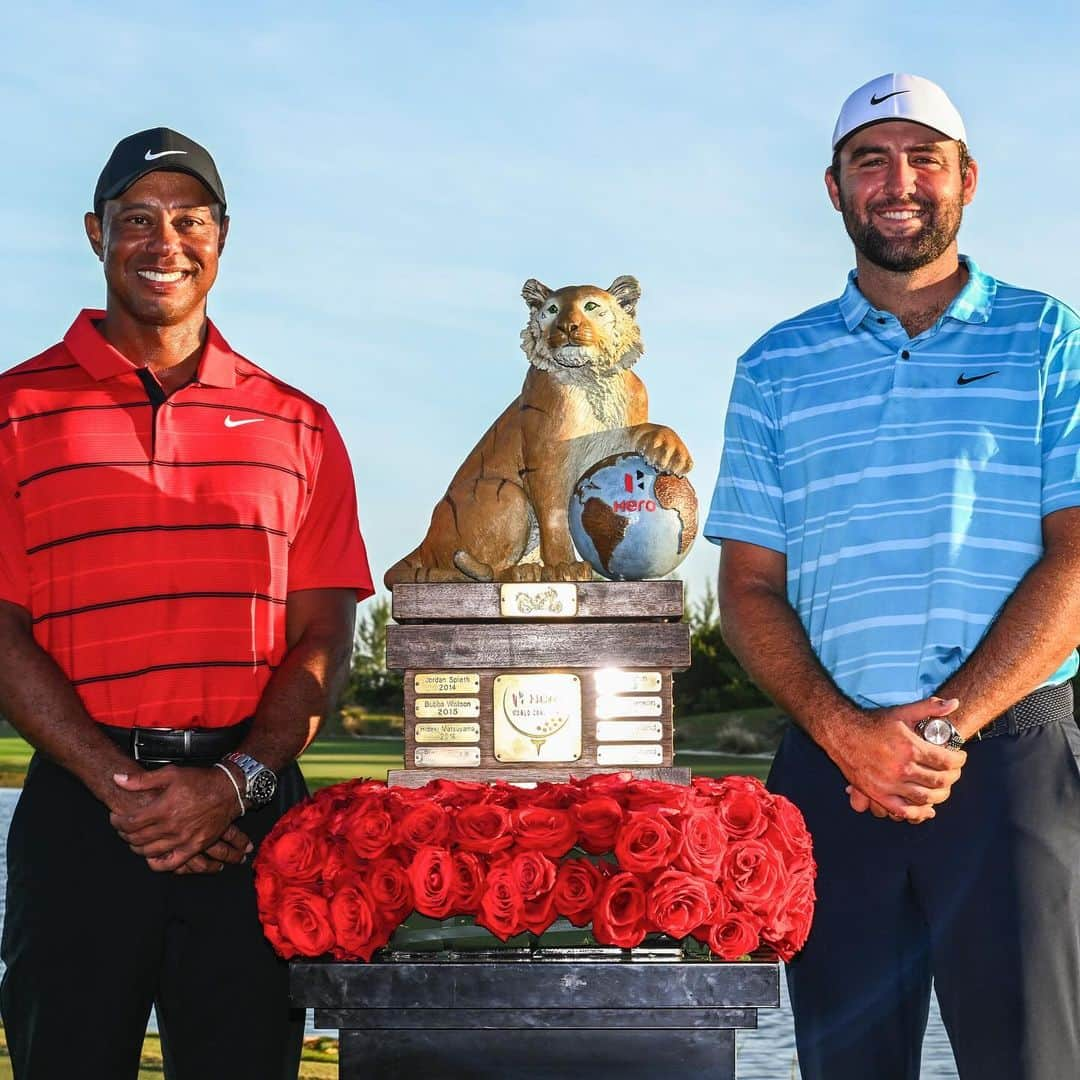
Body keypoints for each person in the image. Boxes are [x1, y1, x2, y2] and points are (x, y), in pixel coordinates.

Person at [706, 73, 1080, 1079]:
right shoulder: (774, 367)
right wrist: (847, 737)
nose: (897, 180)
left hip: (1006, 768)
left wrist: (937, 734)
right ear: (834, 189)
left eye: (923, 158)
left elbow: (1076, 558)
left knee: (1033, 1063)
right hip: (835, 776)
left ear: (967, 179)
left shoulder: (1050, 337)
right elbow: (744, 589)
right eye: (870, 159)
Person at [0, 127, 373, 1079]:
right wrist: (120, 789)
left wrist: (232, 782)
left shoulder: (299, 424)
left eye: (190, 219)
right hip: (83, 819)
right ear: (95, 234)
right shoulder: (13, 411)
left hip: (249, 818)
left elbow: (325, 635)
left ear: (222, 236)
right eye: (138, 219)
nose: (166, 241)